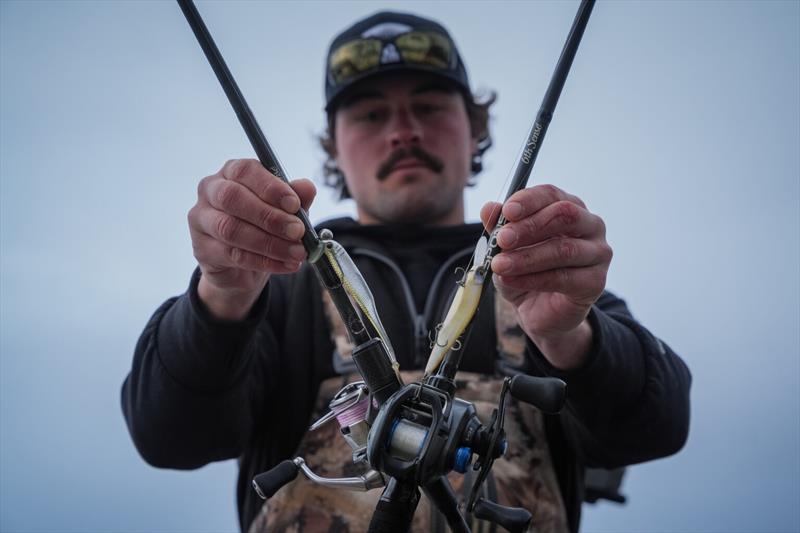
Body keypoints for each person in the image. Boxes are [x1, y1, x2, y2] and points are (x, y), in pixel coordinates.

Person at [122, 10, 691, 533]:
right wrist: (221, 293)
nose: (403, 131)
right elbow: (169, 435)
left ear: (474, 132)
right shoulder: (277, 280)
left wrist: (569, 335)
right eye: (371, 114)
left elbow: (657, 426)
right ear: (335, 149)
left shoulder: (542, 266)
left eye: (429, 106)